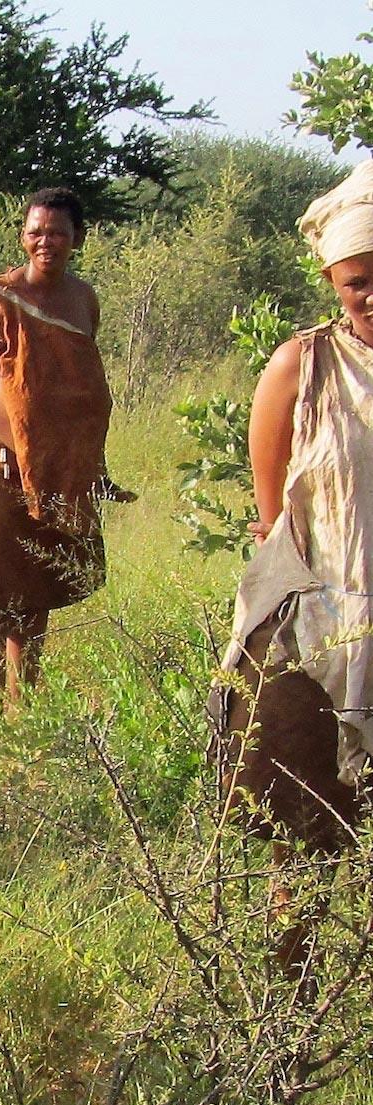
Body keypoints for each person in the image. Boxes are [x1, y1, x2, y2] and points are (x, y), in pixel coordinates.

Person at [217, 158, 373, 852]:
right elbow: (272, 515)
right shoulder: (299, 367)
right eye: (356, 281)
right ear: (331, 282)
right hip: (314, 638)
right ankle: (295, 966)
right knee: (300, 842)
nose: (371, 294)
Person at [0, 186, 111, 714]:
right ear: (22, 236)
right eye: (36, 232)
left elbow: (75, 373)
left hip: (56, 470)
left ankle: (25, 703)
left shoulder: (83, 300)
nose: (45, 242)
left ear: (76, 238)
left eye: (56, 233)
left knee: (37, 585)